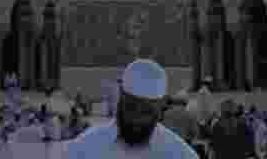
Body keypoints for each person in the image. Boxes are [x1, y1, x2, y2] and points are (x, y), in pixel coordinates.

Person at [66, 58, 197, 158]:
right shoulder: (84, 149)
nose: (137, 119)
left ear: (161, 106)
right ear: (121, 98)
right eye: (131, 107)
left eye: (146, 110)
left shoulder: (180, 154)